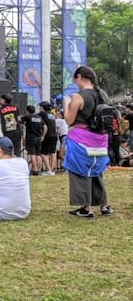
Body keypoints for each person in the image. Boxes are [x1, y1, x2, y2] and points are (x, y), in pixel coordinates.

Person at [62, 65, 113, 218]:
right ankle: (104, 205)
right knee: (96, 170)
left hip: (81, 138)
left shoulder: (78, 96)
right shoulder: (102, 94)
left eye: (75, 79)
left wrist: (66, 105)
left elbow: (69, 120)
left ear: (79, 77)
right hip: (101, 138)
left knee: (79, 170)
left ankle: (86, 207)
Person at [21, 105, 45, 176]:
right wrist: (42, 136)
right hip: (38, 138)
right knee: (38, 154)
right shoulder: (39, 118)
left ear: (27, 111)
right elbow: (45, 127)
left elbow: (19, 120)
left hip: (30, 138)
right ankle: (39, 169)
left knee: (32, 154)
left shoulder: (28, 117)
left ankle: (35, 170)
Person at [38, 102, 57, 175]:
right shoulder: (52, 114)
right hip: (54, 135)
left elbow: (35, 116)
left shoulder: (42, 114)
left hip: (47, 135)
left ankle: (49, 170)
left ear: (43, 107)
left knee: (43, 153)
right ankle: (52, 170)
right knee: (53, 152)